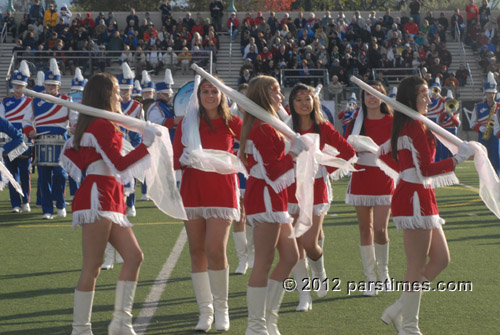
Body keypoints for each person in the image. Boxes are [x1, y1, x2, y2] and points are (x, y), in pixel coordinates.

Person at [61, 72, 157, 335]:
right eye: (115, 90)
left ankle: (121, 323)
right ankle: (81, 329)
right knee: (92, 266)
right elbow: (119, 164)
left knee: (134, 257)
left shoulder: (99, 124)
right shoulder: (101, 125)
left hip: (108, 195)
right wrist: (145, 145)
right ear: (104, 94)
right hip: (98, 196)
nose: (120, 95)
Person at [380, 75, 473, 334]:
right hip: (414, 199)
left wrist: (406, 172)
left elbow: (387, 155)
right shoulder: (413, 126)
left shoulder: (413, 124)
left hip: (421, 196)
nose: (429, 98)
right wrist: (457, 160)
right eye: (423, 94)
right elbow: (425, 169)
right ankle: (409, 326)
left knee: (441, 259)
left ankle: (399, 309)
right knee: (416, 265)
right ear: (411, 98)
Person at [172, 78, 242, 332]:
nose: (210, 96)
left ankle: (222, 309)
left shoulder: (232, 122)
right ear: (197, 95)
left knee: (215, 249)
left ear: (223, 96)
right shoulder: (187, 123)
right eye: (206, 91)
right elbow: (173, 160)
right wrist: (183, 157)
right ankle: (206, 311)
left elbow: (256, 143)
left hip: (222, 191)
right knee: (196, 251)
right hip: (192, 191)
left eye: (215, 91)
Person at [239, 75, 307, 334]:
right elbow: (274, 171)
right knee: (264, 261)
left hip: (272, 195)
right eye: (276, 91)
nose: (281, 96)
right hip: (266, 195)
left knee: (290, 256)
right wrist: (294, 152)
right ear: (265, 96)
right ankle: (256, 326)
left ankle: (268, 318)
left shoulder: (268, 123)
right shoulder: (263, 127)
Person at [287, 83, 355, 311]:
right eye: (298, 99)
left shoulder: (323, 127)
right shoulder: (286, 128)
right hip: (291, 189)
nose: (304, 103)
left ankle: (320, 273)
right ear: (292, 103)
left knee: (309, 243)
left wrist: (325, 169)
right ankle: (304, 296)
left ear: (314, 101)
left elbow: (348, 153)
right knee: (295, 245)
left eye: (307, 99)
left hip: (316, 188)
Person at [344, 81, 395, 296]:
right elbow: (345, 149)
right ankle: (371, 279)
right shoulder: (356, 122)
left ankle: (384, 274)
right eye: (367, 94)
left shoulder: (393, 121)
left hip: (384, 176)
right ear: (363, 98)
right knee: (365, 230)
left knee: (381, 230)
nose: (372, 98)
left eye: (376, 94)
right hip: (361, 177)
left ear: (383, 98)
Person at [23, 58, 73, 219]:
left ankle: (60, 204)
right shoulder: (36, 100)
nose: (50, 87)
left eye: (53, 85)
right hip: (42, 143)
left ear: (59, 85)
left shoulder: (66, 100)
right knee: (44, 177)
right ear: (44, 85)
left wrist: (74, 127)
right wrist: (30, 131)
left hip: (60, 143)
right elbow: (26, 121)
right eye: (48, 84)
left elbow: (76, 120)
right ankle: (47, 209)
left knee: (60, 175)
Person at [0, 61, 32, 213]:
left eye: (21, 85)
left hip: (24, 141)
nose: (18, 88)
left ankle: (25, 201)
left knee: (25, 173)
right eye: (16, 85)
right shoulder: (5, 102)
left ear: (25, 85)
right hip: (10, 140)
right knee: (11, 173)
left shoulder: (31, 102)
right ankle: (15, 204)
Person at [230, 83, 252, 275]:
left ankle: (252, 255)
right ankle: (242, 259)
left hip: (254, 167)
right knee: (239, 215)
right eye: (241, 97)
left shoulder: (259, 117)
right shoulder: (230, 117)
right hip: (236, 166)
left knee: (253, 215)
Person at [117, 62, 145, 217]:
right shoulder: (113, 104)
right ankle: (120, 204)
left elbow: (142, 127)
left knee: (132, 176)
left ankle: (131, 204)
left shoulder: (137, 106)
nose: (124, 92)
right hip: (117, 144)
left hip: (132, 143)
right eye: (122, 90)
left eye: (127, 90)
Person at [471, 72, 500, 176]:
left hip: (496, 137)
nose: (491, 95)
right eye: (489, 93)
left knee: (496, 159)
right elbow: (472, 124)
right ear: (485, 93)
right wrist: (480, 128)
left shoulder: (499, 106)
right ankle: (484, 181)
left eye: (493, 93)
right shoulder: (478, 106)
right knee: (483, 160)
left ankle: (497, 181)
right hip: (483, 136)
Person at [147, 69, 182, 142]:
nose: (169, 96)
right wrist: (174, 121)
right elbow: (154, 122)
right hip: (161, 141)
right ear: (159, 94)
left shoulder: (170, 106)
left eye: (170, 94)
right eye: (166, 94)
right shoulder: (156, 106)